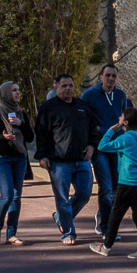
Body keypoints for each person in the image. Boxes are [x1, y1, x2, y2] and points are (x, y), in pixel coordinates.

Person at [36, 73, 94, 245]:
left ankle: (61, 217)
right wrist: (42, 155)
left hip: (82, 159)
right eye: (64, 86)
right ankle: (68, 232)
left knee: (84, 193)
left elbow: (93, 128)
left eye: (70, 85)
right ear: (55, 86)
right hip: (59, 162)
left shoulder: (82, 106)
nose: (68, 89)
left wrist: (92, 145)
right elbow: (41, 134)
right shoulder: (48, 108)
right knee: (62, 197)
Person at [89, 107, 137, 260]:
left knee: (115, 215)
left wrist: (111, 130)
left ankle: (106, 246)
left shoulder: (127, 138)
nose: (119, 117)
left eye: (122, 116)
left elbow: (102, 146)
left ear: (126, 121)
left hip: (127, 181)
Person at [81, 64, 131, 237]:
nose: (110, 79)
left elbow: (125, 117)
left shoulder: (121, 95)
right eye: (107, 75)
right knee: (106, 187)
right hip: (100, 146)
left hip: (118, 147)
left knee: (117, 187)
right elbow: (82, 120)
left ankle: (103, 216)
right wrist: (88, 143)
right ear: (100, 77)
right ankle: (106, 228)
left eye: (113, 76)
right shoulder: (89, 96)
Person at [0, 81, 34, 245]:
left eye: (19, 90)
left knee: (16, 197)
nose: (17, 93)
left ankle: (12, 233)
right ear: (5, 93)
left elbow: (30, 137)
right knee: (7, 196)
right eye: (14, 90)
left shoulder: (21, 114)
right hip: (2, 159)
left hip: (19, 158)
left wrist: (21, 124)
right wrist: (4, 137)